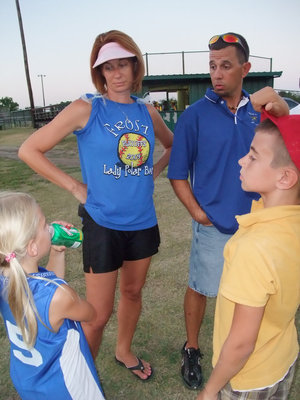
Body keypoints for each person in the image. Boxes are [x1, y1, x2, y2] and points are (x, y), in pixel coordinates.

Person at [18, 30, 173, 381]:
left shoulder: (148, 112)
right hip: (102, 224)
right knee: (97, 314)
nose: (117, 73)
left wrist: (153, 172)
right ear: (99, 72)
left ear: (136, 67)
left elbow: (171, 145)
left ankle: (123, 350)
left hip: (142, 223)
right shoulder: (86, 108)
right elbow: (30, 149)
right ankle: (81, 378)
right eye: (108, 67)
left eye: (124, 64)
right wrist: (74, 186)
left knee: (132, 293)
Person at [167, 32, 290, 389]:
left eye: (225, 65)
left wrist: (279, 106)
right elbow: (177, 174)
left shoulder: (261, 112)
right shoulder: (193, 115)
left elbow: (287, 153)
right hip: (214, 227)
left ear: (245, 68)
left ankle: (244, 349)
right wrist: (197, 213)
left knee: (253, 297)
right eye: (212, 66)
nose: (217, 74)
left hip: (261, 228)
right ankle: (192, 348)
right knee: (202, 287)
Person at [197, 111, 300, 400]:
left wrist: (210, 389)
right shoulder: (288, 222)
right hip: (282, 357)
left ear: (285, 177)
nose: (242, 160)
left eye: (252, 156)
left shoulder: (254, 248)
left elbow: (241, 343)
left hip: (247, 377)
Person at [0, 191, 105, 400]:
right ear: (32, 247)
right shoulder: (61, 296)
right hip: (67, 388)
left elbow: (45, 292)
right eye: (44, 224)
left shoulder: (7, 277)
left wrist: (57, 252)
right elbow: (91, 314)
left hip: (29, 381)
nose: (50, 228)